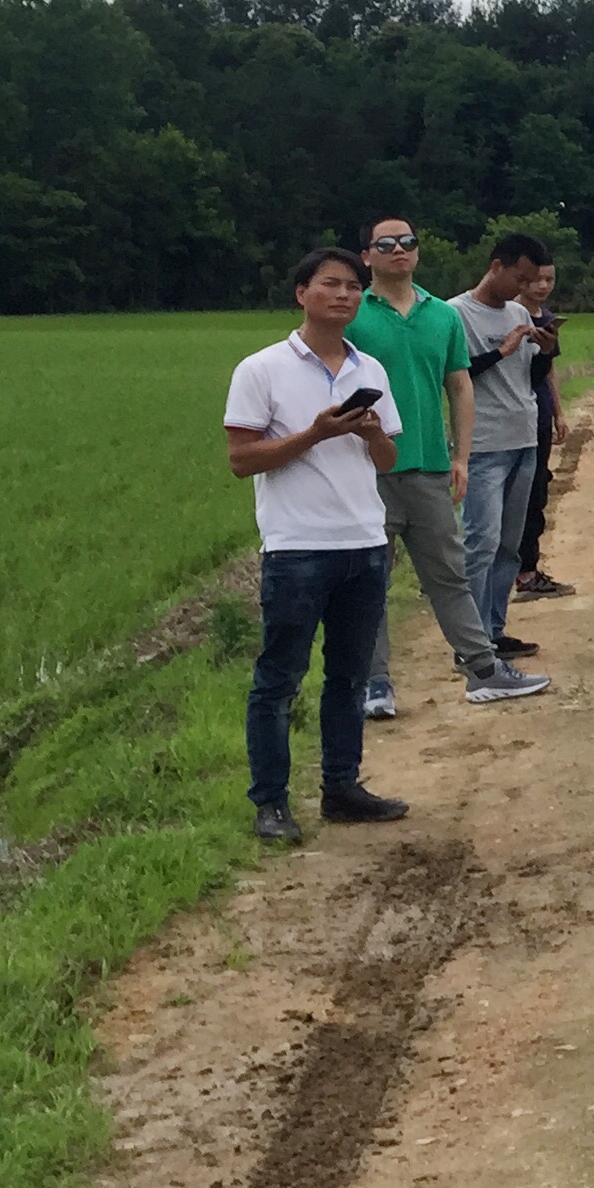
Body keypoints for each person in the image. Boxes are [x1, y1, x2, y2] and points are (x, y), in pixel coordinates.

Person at [224, 246, 413, 842]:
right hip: (297, 546)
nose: (345, 295)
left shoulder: (371, 371)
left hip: (363, 539)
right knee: (278, 680)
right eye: (331, 285)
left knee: (350, 676)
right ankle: (271, 803)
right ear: (301, 293)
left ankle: (342, 787)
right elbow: (241, 460)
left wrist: (370, 430)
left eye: (355, 288)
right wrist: (315, 433)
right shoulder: (261, 369)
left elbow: (388, 459)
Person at [347, 220, 550, 712]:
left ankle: (483, 670)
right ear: (367, 255)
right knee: (369, 580)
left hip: (430, 467)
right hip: (363, 470)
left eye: (409, 242)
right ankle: (375, 684)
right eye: (387, 244)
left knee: (449, 576)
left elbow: (458, 385)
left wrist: (460, 455)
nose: (400, 251)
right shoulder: (351, 312)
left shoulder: (440, 316)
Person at [451, 232, 554, 658]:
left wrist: (546, 351)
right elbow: (456, 376)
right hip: (484, 444)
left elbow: (527, 377)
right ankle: (470, 641)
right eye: (520, 277)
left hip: (523, 438)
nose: (526, 288)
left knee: (509, 546)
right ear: (496, 267)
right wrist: (502, 350)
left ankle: (495, 629)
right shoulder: (454, 315)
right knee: (481, 542)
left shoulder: (517, 311)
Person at [513, 260, 576, 602]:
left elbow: (549, 369)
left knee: (537, 492)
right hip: (510, 415)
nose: (542, 285)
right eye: (536, 279)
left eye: (549, 279)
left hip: (538, 413)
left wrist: (559, 413)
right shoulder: (509, 317)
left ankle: (528, 570)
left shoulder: (548, 319)